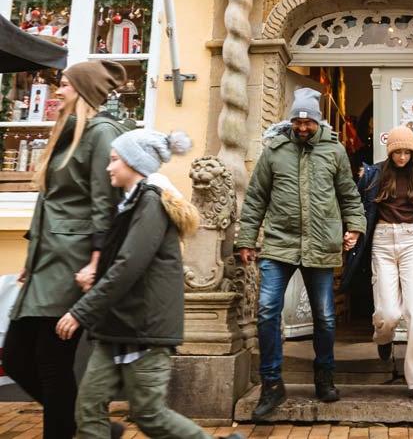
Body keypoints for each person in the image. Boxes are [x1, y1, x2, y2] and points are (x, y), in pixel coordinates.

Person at [55, 129, 242, 439]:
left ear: (134, 163)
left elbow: (130, 265)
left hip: (143, 327)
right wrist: (94, 272)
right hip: (116, 326)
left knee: (149, 414)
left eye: (115, 160)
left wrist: (80, 312)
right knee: (88, 408)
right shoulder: (129, 203)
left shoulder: (150, 203)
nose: (108, 167)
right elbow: (121, 260)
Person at [4, 60, 127, 439]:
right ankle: (90, 426)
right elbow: (50, 202)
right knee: (16, 357)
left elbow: (104, 201)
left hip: (72, 261)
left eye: (65, 85)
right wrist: (31, 259)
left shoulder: (102, 132)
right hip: (47, 260)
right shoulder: (71, 130)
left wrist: (95, 260)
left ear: (85, 91)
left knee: (51, 363)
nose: (57, 91)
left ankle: (74, 429)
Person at [237, 87, 367, 420]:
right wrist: (247, 239)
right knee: (267, 310)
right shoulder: (274, 151)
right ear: (291, 119)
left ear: (318, 121)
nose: (303, 127)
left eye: (308, 122)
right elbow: (255, 199)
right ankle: (271, 384)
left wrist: (354, 227)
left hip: (321, 244)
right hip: (279, 244)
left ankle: (324, 375)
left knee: (324, 316)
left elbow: (349, 196)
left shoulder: (335, 151)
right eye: (297, 121)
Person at [341, 125, 413, 402]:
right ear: (390, 153)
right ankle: (383, 339)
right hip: (382, 241)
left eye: (407, 152)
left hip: (412, 240)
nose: (402, 157)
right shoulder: (374, 174)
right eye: (397, 152)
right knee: (388, 314)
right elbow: (355, 205)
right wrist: (352, 231)